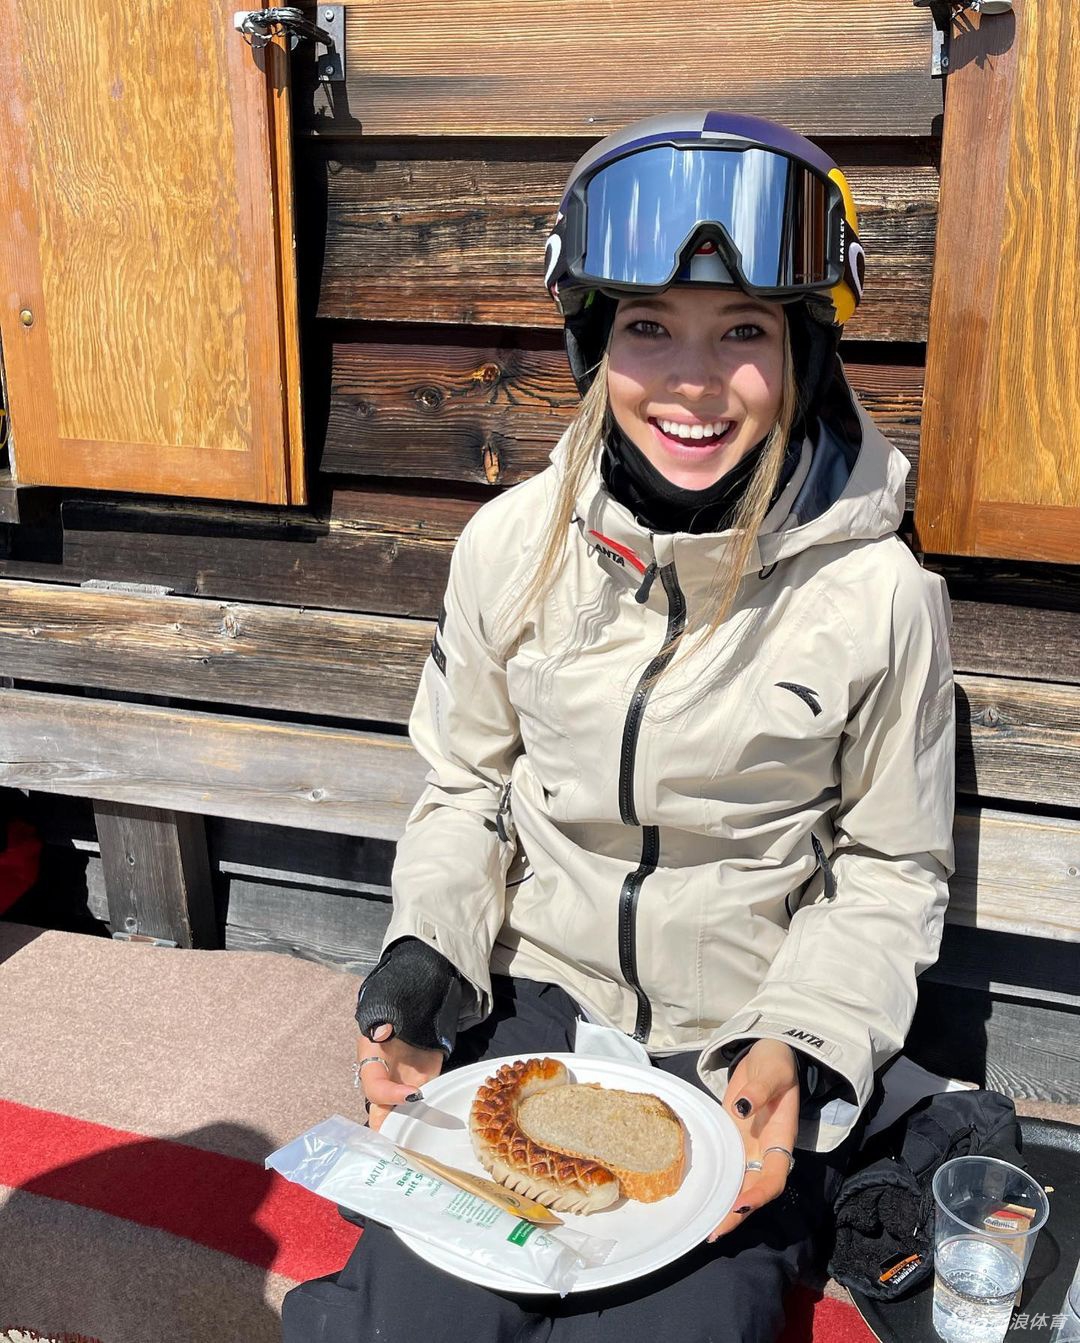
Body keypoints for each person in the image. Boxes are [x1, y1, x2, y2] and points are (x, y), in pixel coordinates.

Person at [282, 110, 955, 1343]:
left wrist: (799, 1042)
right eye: (648, 327)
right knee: (414, 1322)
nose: (692, 381)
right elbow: (467, 788)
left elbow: (890, 865)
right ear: (595, 342)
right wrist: (428, 952)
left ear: (804, 348)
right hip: (533, 1014)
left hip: (736, 1046)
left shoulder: (880, 597)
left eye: (743, 331)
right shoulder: (512, 546)